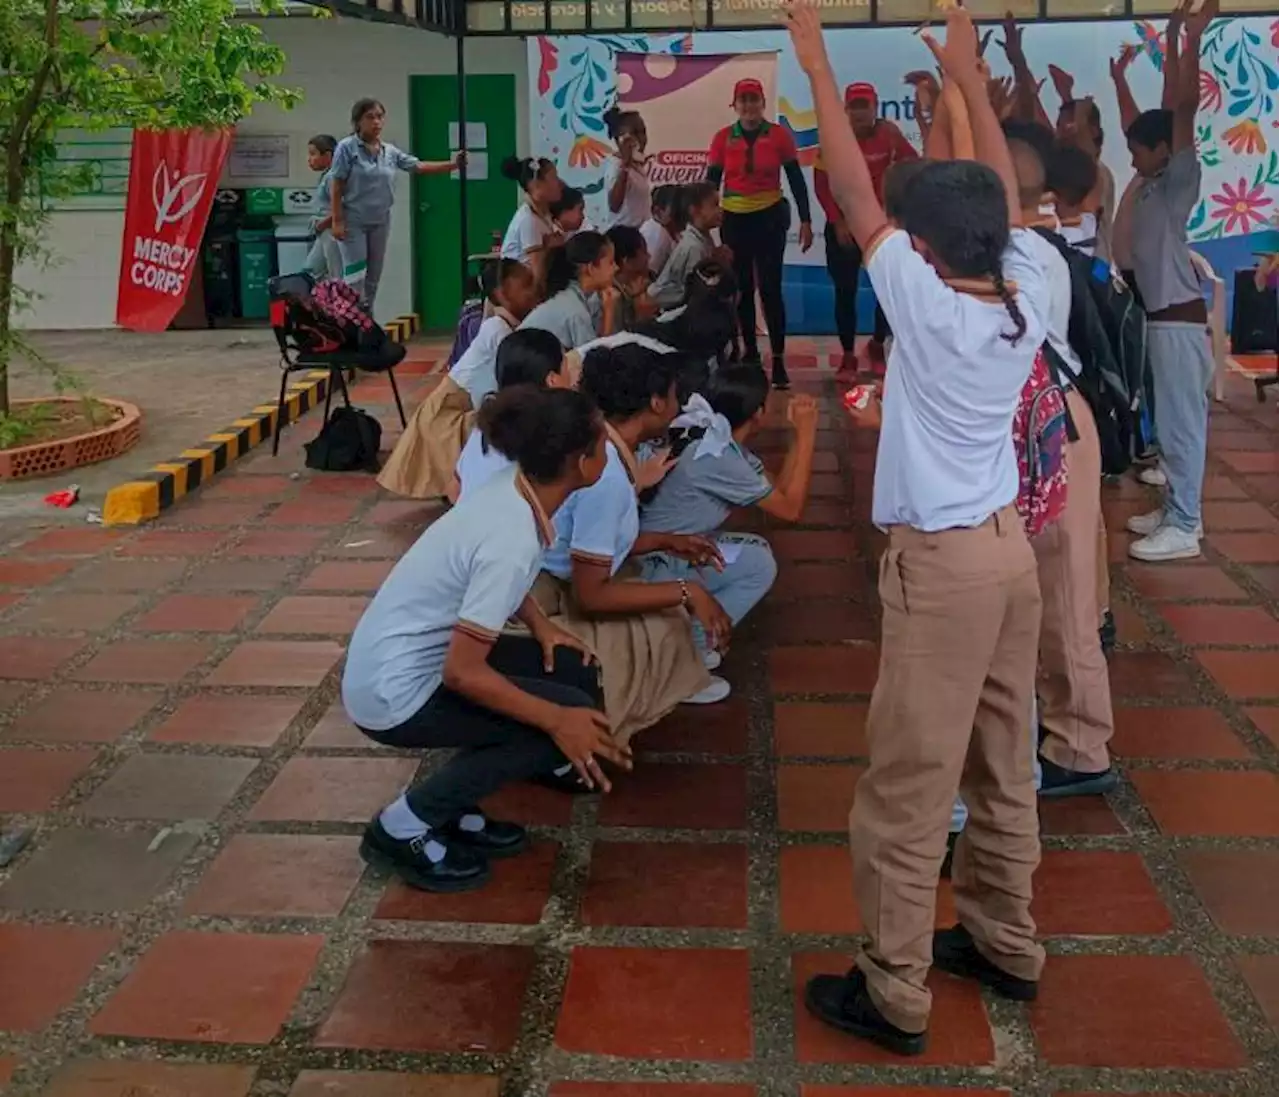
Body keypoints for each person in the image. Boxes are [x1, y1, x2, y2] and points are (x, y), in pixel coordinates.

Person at [787, 1, 1048, 1056]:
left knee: (902, 788)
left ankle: (893, 988)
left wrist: (810, 49)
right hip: (1007, 554)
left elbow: (849, 187)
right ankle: (1003, 938)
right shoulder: (1029, 287)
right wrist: (964, 77)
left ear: (928, 249)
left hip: (941, 569)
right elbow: (996, 189)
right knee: (1002, 761)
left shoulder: (928, 309)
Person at [344, 386, 629, 893]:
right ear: (578, 462)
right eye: (602, 444)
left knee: (569, 670)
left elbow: (486, 577)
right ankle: (401, 826)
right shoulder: (512, 536)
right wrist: (557, 722)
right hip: (396, 695)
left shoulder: (515, 487)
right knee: (551, 720)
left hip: (413, 659)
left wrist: (542, 625)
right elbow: (462, 673)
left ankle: (459, 798)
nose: (610, 451)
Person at [534, 340, 735, 754]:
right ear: (657, 402)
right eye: (676, 396)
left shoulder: (602, 446)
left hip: (558, 575)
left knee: (661, 597)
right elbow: (590, 594)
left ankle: (676, 674)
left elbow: (595, 539)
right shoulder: (605, 473)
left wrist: (665, 540)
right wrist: (688, 592)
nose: (681, 404)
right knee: (668, 617)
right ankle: (610, 718)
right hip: (546, 593)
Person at [1116, 0, 1217, 561]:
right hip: (1162, 319)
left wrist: (1191, 37)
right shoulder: (1154, 178)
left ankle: (1185, 523)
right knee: (1172, 424)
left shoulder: (1178, 177)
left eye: (1137, 147)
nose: (1130, 153)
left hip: (1177, 323)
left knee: (1181, 427)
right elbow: (1158, 112)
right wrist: (1171, 36)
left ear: (1163, 151)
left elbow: (1181, 108)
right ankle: (1175, 506)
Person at [639, 365, 820, 663]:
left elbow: (778, 490)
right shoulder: (719, 455)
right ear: (759, 412)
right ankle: (687, 658)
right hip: (656, 563)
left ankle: (692, 641)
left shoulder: (709, 433)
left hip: (666, 550)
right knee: (757, 566)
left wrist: (797, 439)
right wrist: (809, 434)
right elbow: (791, 510)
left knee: (756, 554)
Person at [378, 259, 538, 499]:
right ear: (502, 294)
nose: (533, 291)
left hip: (463, 403)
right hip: (450, 408)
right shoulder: (498, 330)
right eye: (526, 285)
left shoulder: (503, 325)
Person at [707, 78, 814, 390]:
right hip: (735, 222)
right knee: (741, 289)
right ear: (735, 105)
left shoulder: (779, 135)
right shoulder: (723, 138)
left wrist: (806, 220)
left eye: (754, 99)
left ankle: (779, 360)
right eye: (743, 100)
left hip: (769, 218)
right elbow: (712, 182)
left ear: (763, 103)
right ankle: (751, 355)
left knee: (770, 289)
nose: (749, 105)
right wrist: (706, 220)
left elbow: (795, 179)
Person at [815, 82, 918, 375]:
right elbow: (822, 184)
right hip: (844, 224)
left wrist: (896, 209)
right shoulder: (834, 139)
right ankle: (848, 354)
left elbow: (913, 164)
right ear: (846, 111)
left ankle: (876, 343)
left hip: (880, 225)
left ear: (875, 107)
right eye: (854, 107)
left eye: (865, 106)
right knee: (844, 291)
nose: (860, 113)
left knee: (887, 289)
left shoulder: (890, 134)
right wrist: (838, 219)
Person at [331, 98, 462, 310]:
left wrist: (453, 165)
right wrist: (337, 220)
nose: (376, 122)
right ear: (357, 122)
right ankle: (350, 323)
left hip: (380, 220)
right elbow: (336, 184)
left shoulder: (389, 151)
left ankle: (366, 322)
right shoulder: (347, 148)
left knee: (373, 276)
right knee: (356, 277)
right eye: (370, 117)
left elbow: (418, 166)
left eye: (380, 117)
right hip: (353, 219)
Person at [455, 328, 575, 503]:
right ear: (552, 380)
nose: (572, 375)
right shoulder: (548, 437)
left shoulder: (486, 425)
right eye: (566, 365)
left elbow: (455, 487)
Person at [521, 231, 618, 348]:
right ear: (591, 268)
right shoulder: (575, 311)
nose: (616, 268)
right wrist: (609, 313)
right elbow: (594, 360)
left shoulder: (582, 298)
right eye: (611, 262)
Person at [647, 183, 723, 309]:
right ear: (694, 210)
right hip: (666, 310)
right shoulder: (693, 247)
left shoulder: (703, 239)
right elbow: (695, 295)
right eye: (714, 205)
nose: (720, 210)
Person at [500, 156, 565, 284]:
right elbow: (537, 279)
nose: (560, 183)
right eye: (554, 178)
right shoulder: (528, 220)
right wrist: (549, 248)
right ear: (536, 185)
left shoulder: (544, 214)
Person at [604, 106, 652, 229]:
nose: (642, 138)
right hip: (623, 237)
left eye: (643, 132)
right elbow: (614, 205)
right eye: (635, 133)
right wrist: (624, 166)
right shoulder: (615, 166)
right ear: (620, 139)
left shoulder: (636, 164)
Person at [608, 225, 659, 330]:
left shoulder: (650, 280)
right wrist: (641, 317)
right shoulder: (611, 300)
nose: (648, 257)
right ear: (627, 261)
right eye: (644, 252)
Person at [304, 135, 341, 280]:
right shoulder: (327, 176)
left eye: (313, 154)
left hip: (333, 231)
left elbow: (343, 207)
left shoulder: (334, 177)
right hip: (325, 232)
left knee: (336, 275)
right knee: (310, 273)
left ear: (327, 155)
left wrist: (322, 224)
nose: (309, 159)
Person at [641, 185, 682, 278]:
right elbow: (648, 275)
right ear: (658, 211)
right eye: (676, 210)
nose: (681, 214)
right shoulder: (656, 233)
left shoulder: (672, 229)